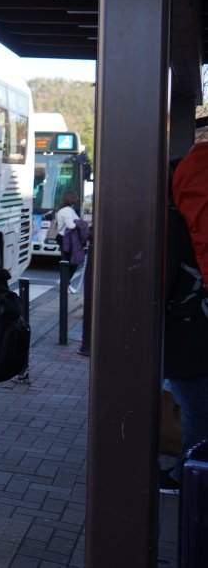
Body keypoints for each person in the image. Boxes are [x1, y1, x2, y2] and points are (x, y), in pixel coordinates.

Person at [159, 148, 208, 493]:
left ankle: (185, 477)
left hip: (186, 334)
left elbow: (161, 285)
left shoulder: (174, 224)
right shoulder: (193, 225)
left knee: (195, 408)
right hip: (197, 324)